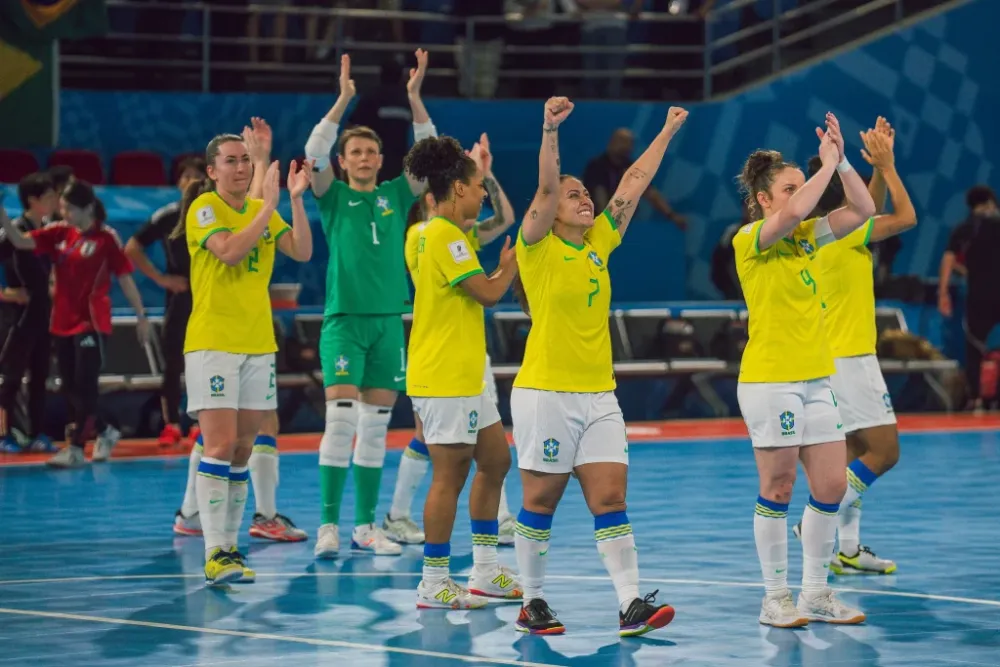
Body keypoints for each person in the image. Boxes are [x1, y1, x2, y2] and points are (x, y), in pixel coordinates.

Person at [510, 98, 683, 638]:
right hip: (546, 394)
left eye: (586, 192)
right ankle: (532, 600)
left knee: (610, 499)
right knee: (540, 500)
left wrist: (668, 128)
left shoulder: (598, 244)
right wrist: (549, 130)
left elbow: (633, 180)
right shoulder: (535, 246)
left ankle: (631, 603)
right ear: (550, 208)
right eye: (574, 194)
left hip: (599, 396)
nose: (585, 199)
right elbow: (543, 187)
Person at [733, 112, 875, 628]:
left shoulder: (811, 237)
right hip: (771, 378)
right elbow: (793, 214)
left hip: (816, 377)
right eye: (789, 188)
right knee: (778, 487)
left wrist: (842, 165)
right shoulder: (751, 238)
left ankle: (815, 593)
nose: (802, 195)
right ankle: (776, 597)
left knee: (832, 485)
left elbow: (864, 207)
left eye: (803, 184)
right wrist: (824, 169)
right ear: (765, 199)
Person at [304, 50, 438, 559]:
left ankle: (364, 526)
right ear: (343, 162)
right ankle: (328, 528)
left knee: (376, 431)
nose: (362, 158)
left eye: (369, 152)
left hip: (387, 324)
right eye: (353, 152)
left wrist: (414, 98)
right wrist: (342, 101)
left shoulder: (396, 196)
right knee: (340, 426)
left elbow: (429, 157)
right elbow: (311, 152)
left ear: (381, 160)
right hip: (343, 323)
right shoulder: (331, 196)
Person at [172, 133, 313, 585]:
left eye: (245, 161)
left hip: (258, 345)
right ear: (212, 171)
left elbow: (303, 251)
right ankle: (215, 552)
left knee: (242, 449)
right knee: (217, 445)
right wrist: (267, 208)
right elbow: (231, 252)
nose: (240, 168)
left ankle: (230, 548)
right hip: (214, 343)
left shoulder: (261, 211)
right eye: (230, 161)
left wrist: (293, 200)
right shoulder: (204, 209)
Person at [790, 117, 916, 576]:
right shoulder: (844, 233)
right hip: (850, 359)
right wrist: (888, 164)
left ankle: (846, 547)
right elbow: (904, 217)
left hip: (827, 359)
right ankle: (814, 525)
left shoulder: (818, 233)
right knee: (884, 452)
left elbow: (869, 206)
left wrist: (876, 170)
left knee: (847, 453)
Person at [404, 134, 521, 608]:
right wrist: (509, 267)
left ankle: (486, 570)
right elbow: (488, 293)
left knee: (495, 462)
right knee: (448, 477)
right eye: (477, 187)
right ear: (456, 189)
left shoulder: (444, 233)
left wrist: (484, 167)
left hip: (467, 374)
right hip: (445, 374)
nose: (482, 195)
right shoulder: (441, 235)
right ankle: (433, 581)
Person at [0, 181, 150, 468]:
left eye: (69, 208)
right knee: (70, 388)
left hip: (92, 322)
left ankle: (77, 448)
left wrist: (141, 316)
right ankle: (105, 430)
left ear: (88, 208)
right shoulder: (59, 233)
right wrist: (3, 216)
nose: (64, 212)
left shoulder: (107, 239)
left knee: (84, 385)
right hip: (61, 323)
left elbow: (126, 278)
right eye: (63, 207)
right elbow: (20, 241)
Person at [125, 156, 206, 447]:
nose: (190, 182)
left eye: (197, 177)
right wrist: (162, 279)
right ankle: (171, 423)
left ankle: (201, 423)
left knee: (204, 361)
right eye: (185, 177)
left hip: (209, 299)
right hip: (180, 298)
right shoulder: (168, 215)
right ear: (178, 182)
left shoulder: (216, 215)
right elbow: (132, 247)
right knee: (174, 362)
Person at [0, 172, 59, 453]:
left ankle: (37, 432)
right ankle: (3, 434)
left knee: (39, 376)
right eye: (48, 197)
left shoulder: (49, 231)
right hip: (17, 318)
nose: (54, 201)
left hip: (43, 315)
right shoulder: (13, 232)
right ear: (33, 201)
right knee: (9, 378)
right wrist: (5, 293)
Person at [938, 185, 1000, 410]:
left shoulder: (965, 228)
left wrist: (943, 293)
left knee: (975, 348)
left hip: (979, 296)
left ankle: (976, 399)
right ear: (991, 202)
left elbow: (949, 259)